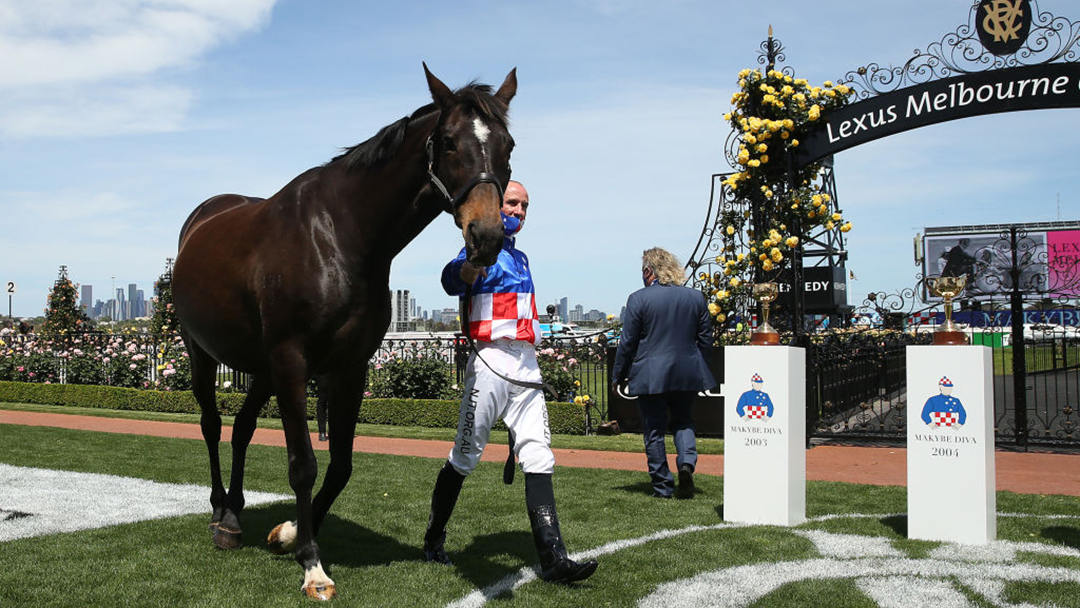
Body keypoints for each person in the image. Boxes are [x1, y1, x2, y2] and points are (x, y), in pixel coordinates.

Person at [421, 180, 598, 584]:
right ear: (495, 206)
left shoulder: (522, 259)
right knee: (465, 457)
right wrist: (471, 266)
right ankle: (433, 540)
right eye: (512, 204)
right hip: (491, 362)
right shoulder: (479, 250)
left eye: (524, 207)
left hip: (527, 364)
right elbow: (452, 280)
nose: (518, 212)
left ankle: (554, 558)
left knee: (539, 455)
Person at [612, 247, 716, 499]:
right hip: (687, 372)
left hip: (651, 374)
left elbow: (628, 343)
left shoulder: (639, 298)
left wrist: (619, 375)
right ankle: (686, 463)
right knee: (684, 421)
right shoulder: (696, 297)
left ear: (649, 271)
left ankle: (662, 485)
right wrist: (701, 367)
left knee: (654, 431)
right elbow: (705, 341)